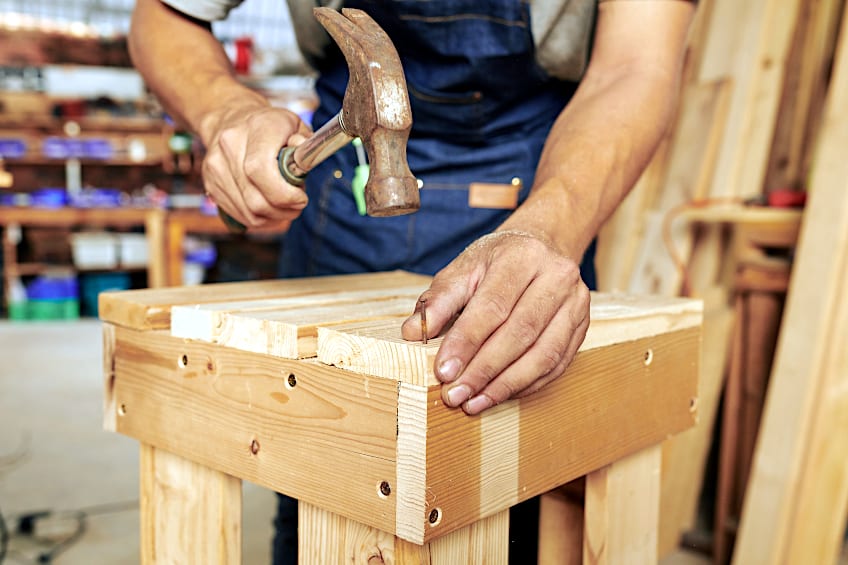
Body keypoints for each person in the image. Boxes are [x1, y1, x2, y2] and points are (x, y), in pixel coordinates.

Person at [129, 0, 695, 562]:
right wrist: (222, 110)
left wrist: (551, 228)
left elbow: (636, 63)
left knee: (506, 494)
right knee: (317, 480)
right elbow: (163, 14)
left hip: (538, 175)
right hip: (344, 187)